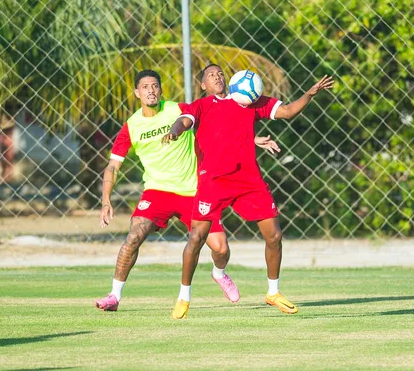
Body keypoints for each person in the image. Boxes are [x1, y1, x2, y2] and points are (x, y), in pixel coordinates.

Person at [95, 69, 280, 311]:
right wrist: (105, 200)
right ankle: (114, 296)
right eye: (145, 87)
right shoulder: (131, 126)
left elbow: (223, 122)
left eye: (155, 86)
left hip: (194, 191)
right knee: (134, 236)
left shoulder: (178, 109)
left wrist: (251, 140)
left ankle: (219, 273)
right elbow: (112, 167)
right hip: (157, 192)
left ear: (160, 90)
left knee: (221, 249)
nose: (151, 90)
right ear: (137, 92)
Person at [163, 64, 334, 319]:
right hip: (213, 182)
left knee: (274, 236)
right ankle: (183, 296)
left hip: (248, 181)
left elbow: (287, 112)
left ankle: (273, 292)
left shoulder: (249, 100)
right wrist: (174, 132)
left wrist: (309, 94)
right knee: (197, 238)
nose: (217, 77)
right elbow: (184, 121)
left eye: (220, 73)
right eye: (211, 75)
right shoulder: (202, 105)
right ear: (203, 85)